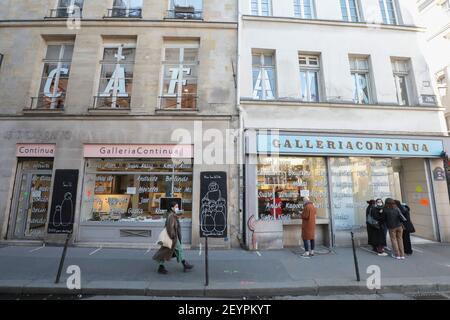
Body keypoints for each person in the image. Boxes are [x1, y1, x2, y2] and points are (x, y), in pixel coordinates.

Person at [153, 202, 194, 274]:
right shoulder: (171, 216)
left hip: (172, 237)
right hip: (172, 237)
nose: (177, 208)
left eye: (178, 206)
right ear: (172, 208)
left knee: (165, 251)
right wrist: (173, 236)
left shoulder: (173, 215)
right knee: (179, 250)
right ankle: (184, 264)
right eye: (176, 206)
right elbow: (170, 227)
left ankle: (161, 267)